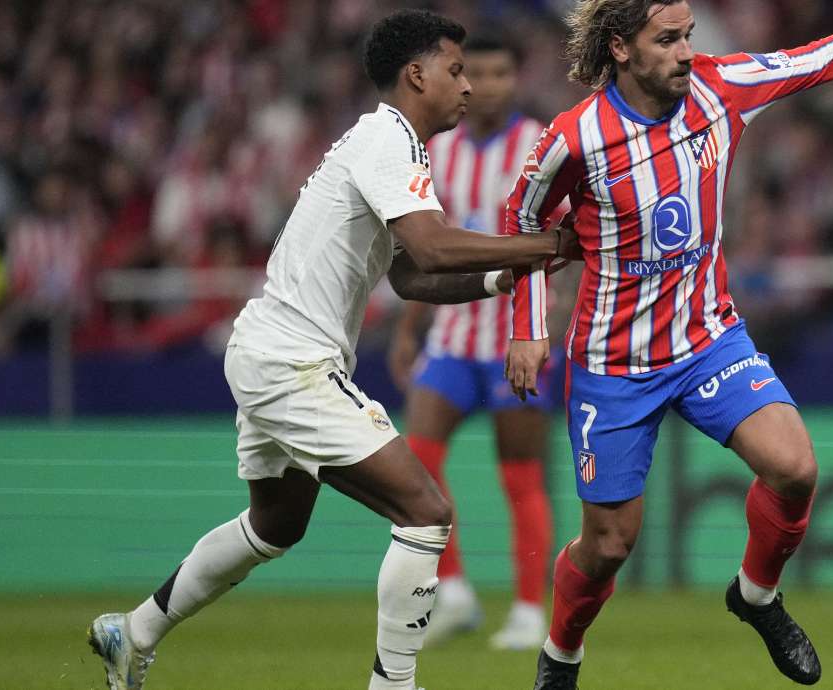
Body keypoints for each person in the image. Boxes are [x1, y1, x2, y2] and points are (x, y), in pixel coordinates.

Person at [501, 1, 833, 687]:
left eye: (688, 37)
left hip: (709, 337)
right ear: (619, 48)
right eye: (667, 39)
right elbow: (522, 215)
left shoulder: (721, 88)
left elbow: (832, 54)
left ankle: (756, 594)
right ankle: (561, 654)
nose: (685, 52)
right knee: (609, 545)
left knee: (795, 467)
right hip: (615, 363)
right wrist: (528, 325)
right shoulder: (577, 136)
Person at [86, 10, 578, 690]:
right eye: (456, 70)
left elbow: (410, 273)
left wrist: (505, 275)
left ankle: (131, 631)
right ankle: (394, 685)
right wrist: (549, 245)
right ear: (417, 74)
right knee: (427, 512)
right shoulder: (389, 139)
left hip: (267, 348)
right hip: (293, 360)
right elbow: (433, 246)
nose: (467, 87)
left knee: (275, 525)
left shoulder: (390, 144)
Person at [388, 34, 558, 651]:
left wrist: (544, 330)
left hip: (515, 339)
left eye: (498, 73)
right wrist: (410, 329)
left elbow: (561, 243)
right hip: (455, 338)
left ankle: (527, 611)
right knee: (417, 460)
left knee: (520, 478)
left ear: (515, 77)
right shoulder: (442, 150)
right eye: (475, 73)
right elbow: (424, 249)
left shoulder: (542, 144)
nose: (485, 85)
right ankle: (454, 591)